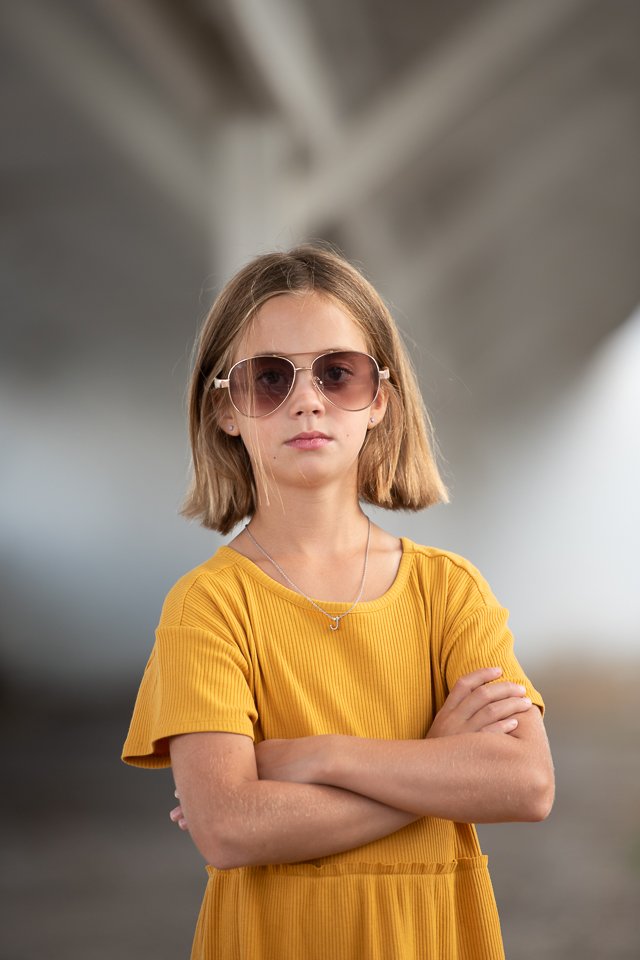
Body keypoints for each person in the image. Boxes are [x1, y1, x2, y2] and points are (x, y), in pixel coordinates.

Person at [122, 244, 554, 960]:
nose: (307, 398)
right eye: (269, 378)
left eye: (338, 372)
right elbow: (229, 828)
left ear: (379, 400)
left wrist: (315, 757)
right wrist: (437, 765)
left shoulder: (450, 590)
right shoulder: (207, 604)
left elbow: (526, 783)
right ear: (227, 408)